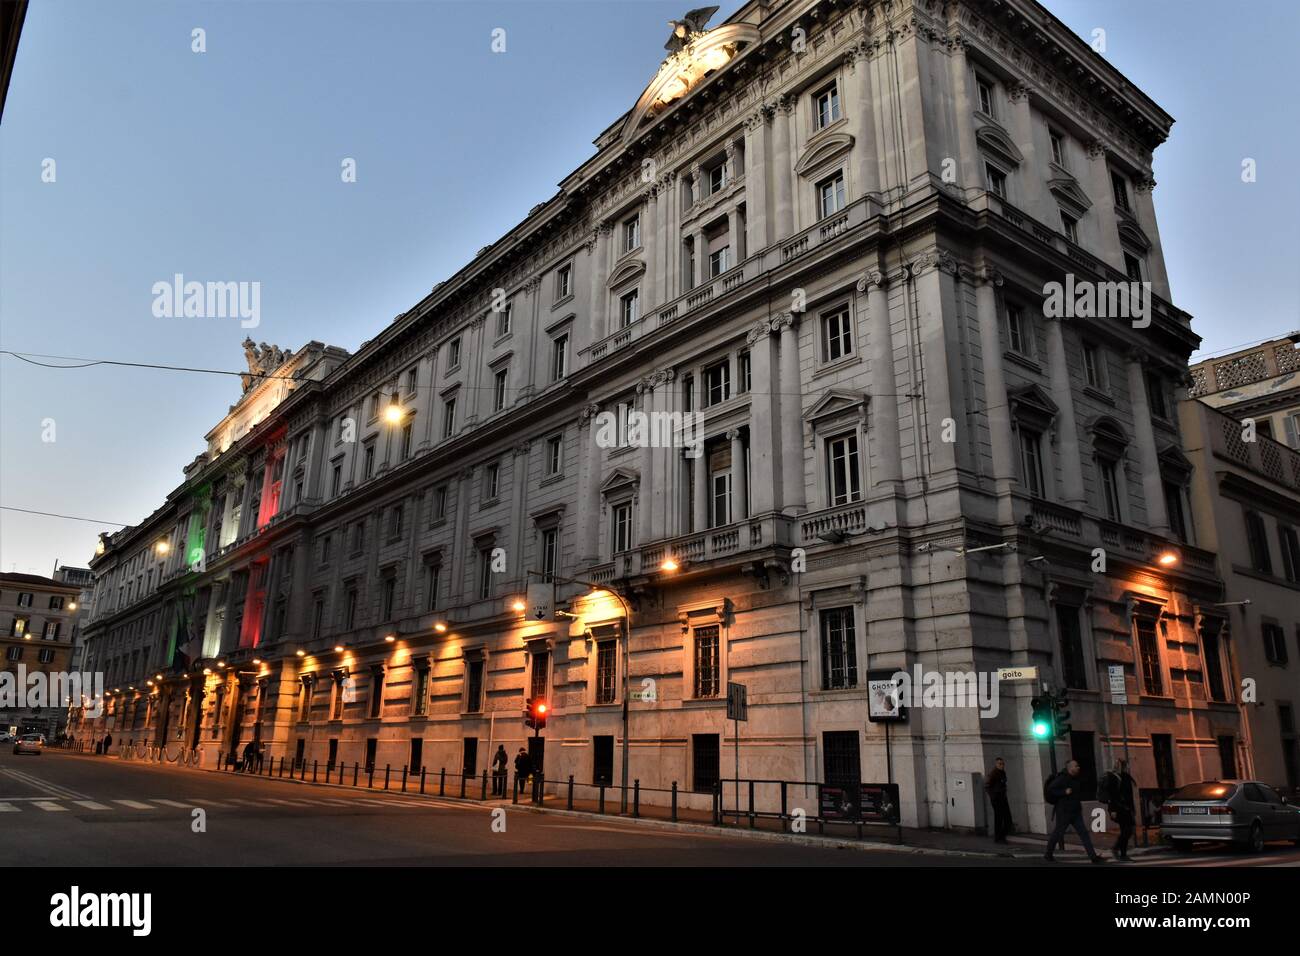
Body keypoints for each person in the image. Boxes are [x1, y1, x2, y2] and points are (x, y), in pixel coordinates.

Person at [1044, 760, 1105, 863]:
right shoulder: (1062, 778)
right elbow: (1051, 789)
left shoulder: (1076, 779)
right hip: (1064, 812)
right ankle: (1048, 854)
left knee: (1084, 833)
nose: (1078, 767)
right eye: (1076, 766)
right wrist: (1064, 792)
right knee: (1058, 833)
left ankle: (1093, 857)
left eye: (1078, 766)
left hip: (1075, 811)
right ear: (1070, 768)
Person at [1098, 758, 1137, 861]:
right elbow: (1112, 795)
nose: (1128, 768)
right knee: (1127, 830)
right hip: (1119, 808)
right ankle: (1118, 850)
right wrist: (1113, 810)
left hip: (1127, 808)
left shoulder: (1125, 777)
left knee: (1128, 830)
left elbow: (1129, 795)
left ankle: (1122, 853)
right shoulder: (1114, 777)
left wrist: (1133, 809)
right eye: (1125, 765)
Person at [985, 757, 1013, 843]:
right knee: (999, 819)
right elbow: (987, 786)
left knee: (1008, 820)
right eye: (999, 764)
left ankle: (1001, 836)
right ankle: (998, 838)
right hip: (997, 800)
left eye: (1002, 764)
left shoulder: (1002, 773)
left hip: (1003, 798)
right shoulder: (993, 774)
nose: (1001, 765)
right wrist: (993, 797)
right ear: (996, 764)